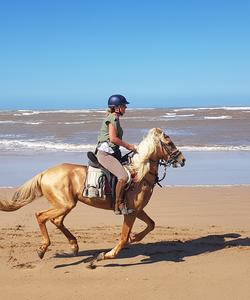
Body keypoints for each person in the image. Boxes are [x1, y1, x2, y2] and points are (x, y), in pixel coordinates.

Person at [96, 94, 137, 215]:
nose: (126, 108)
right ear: (117, 107)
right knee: (123, 177)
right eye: (124, 105)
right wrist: (129, 146)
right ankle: (118, 204)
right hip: (105, 154)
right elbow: (113, 139)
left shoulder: (115, 118)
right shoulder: (113, 118)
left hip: (113, 152)